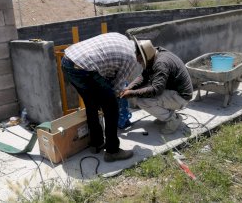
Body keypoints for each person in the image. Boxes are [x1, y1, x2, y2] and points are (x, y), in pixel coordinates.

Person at [61, 32, 139, 162]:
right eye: (142, 60)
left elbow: (103, 62)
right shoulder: (131, 58)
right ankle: (112, 151)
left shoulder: (120, 37)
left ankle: (96, 143)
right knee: (112, 106)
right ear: (139, 55)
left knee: (90, 103)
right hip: (84, 68)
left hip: (67, 60)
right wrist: (110, 99)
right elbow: (117, 86)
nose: (140, 63)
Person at [119, 39, 193, 134]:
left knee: (142, 101)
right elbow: (144, 76)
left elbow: (156, 90)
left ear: (146, 56)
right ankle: (165, 116)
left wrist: (131, 93)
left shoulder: (160, 64)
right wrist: (130, 87)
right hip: (174, 91)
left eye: (140, 59)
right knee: (146, 91)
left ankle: (173, 119)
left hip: (181, 97)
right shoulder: (156, 53)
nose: (139, 62)